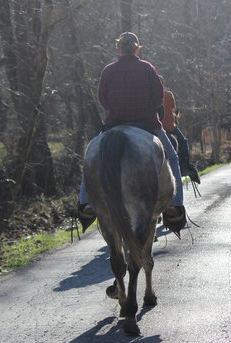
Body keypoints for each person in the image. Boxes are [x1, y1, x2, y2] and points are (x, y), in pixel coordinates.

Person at [78, 32, 186, 233]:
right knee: (172, 157)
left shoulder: (108, 70)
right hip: (147, 124)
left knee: (90, 156)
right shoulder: (147, 68)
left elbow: (103, 99)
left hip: (114, 124)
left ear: (118, 49)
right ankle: (174, 204)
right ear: (137, 49)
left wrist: (118, 109)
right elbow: (157, 97)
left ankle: (86, 202)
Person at [157, 75, 200, 184]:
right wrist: (176, 116)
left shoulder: (151, 95)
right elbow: (173, 110)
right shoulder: (168, 94)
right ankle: (185, 167)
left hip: (159, 126)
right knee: (183, 142)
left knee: (181, 141)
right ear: (163, 84)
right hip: (169, 127)